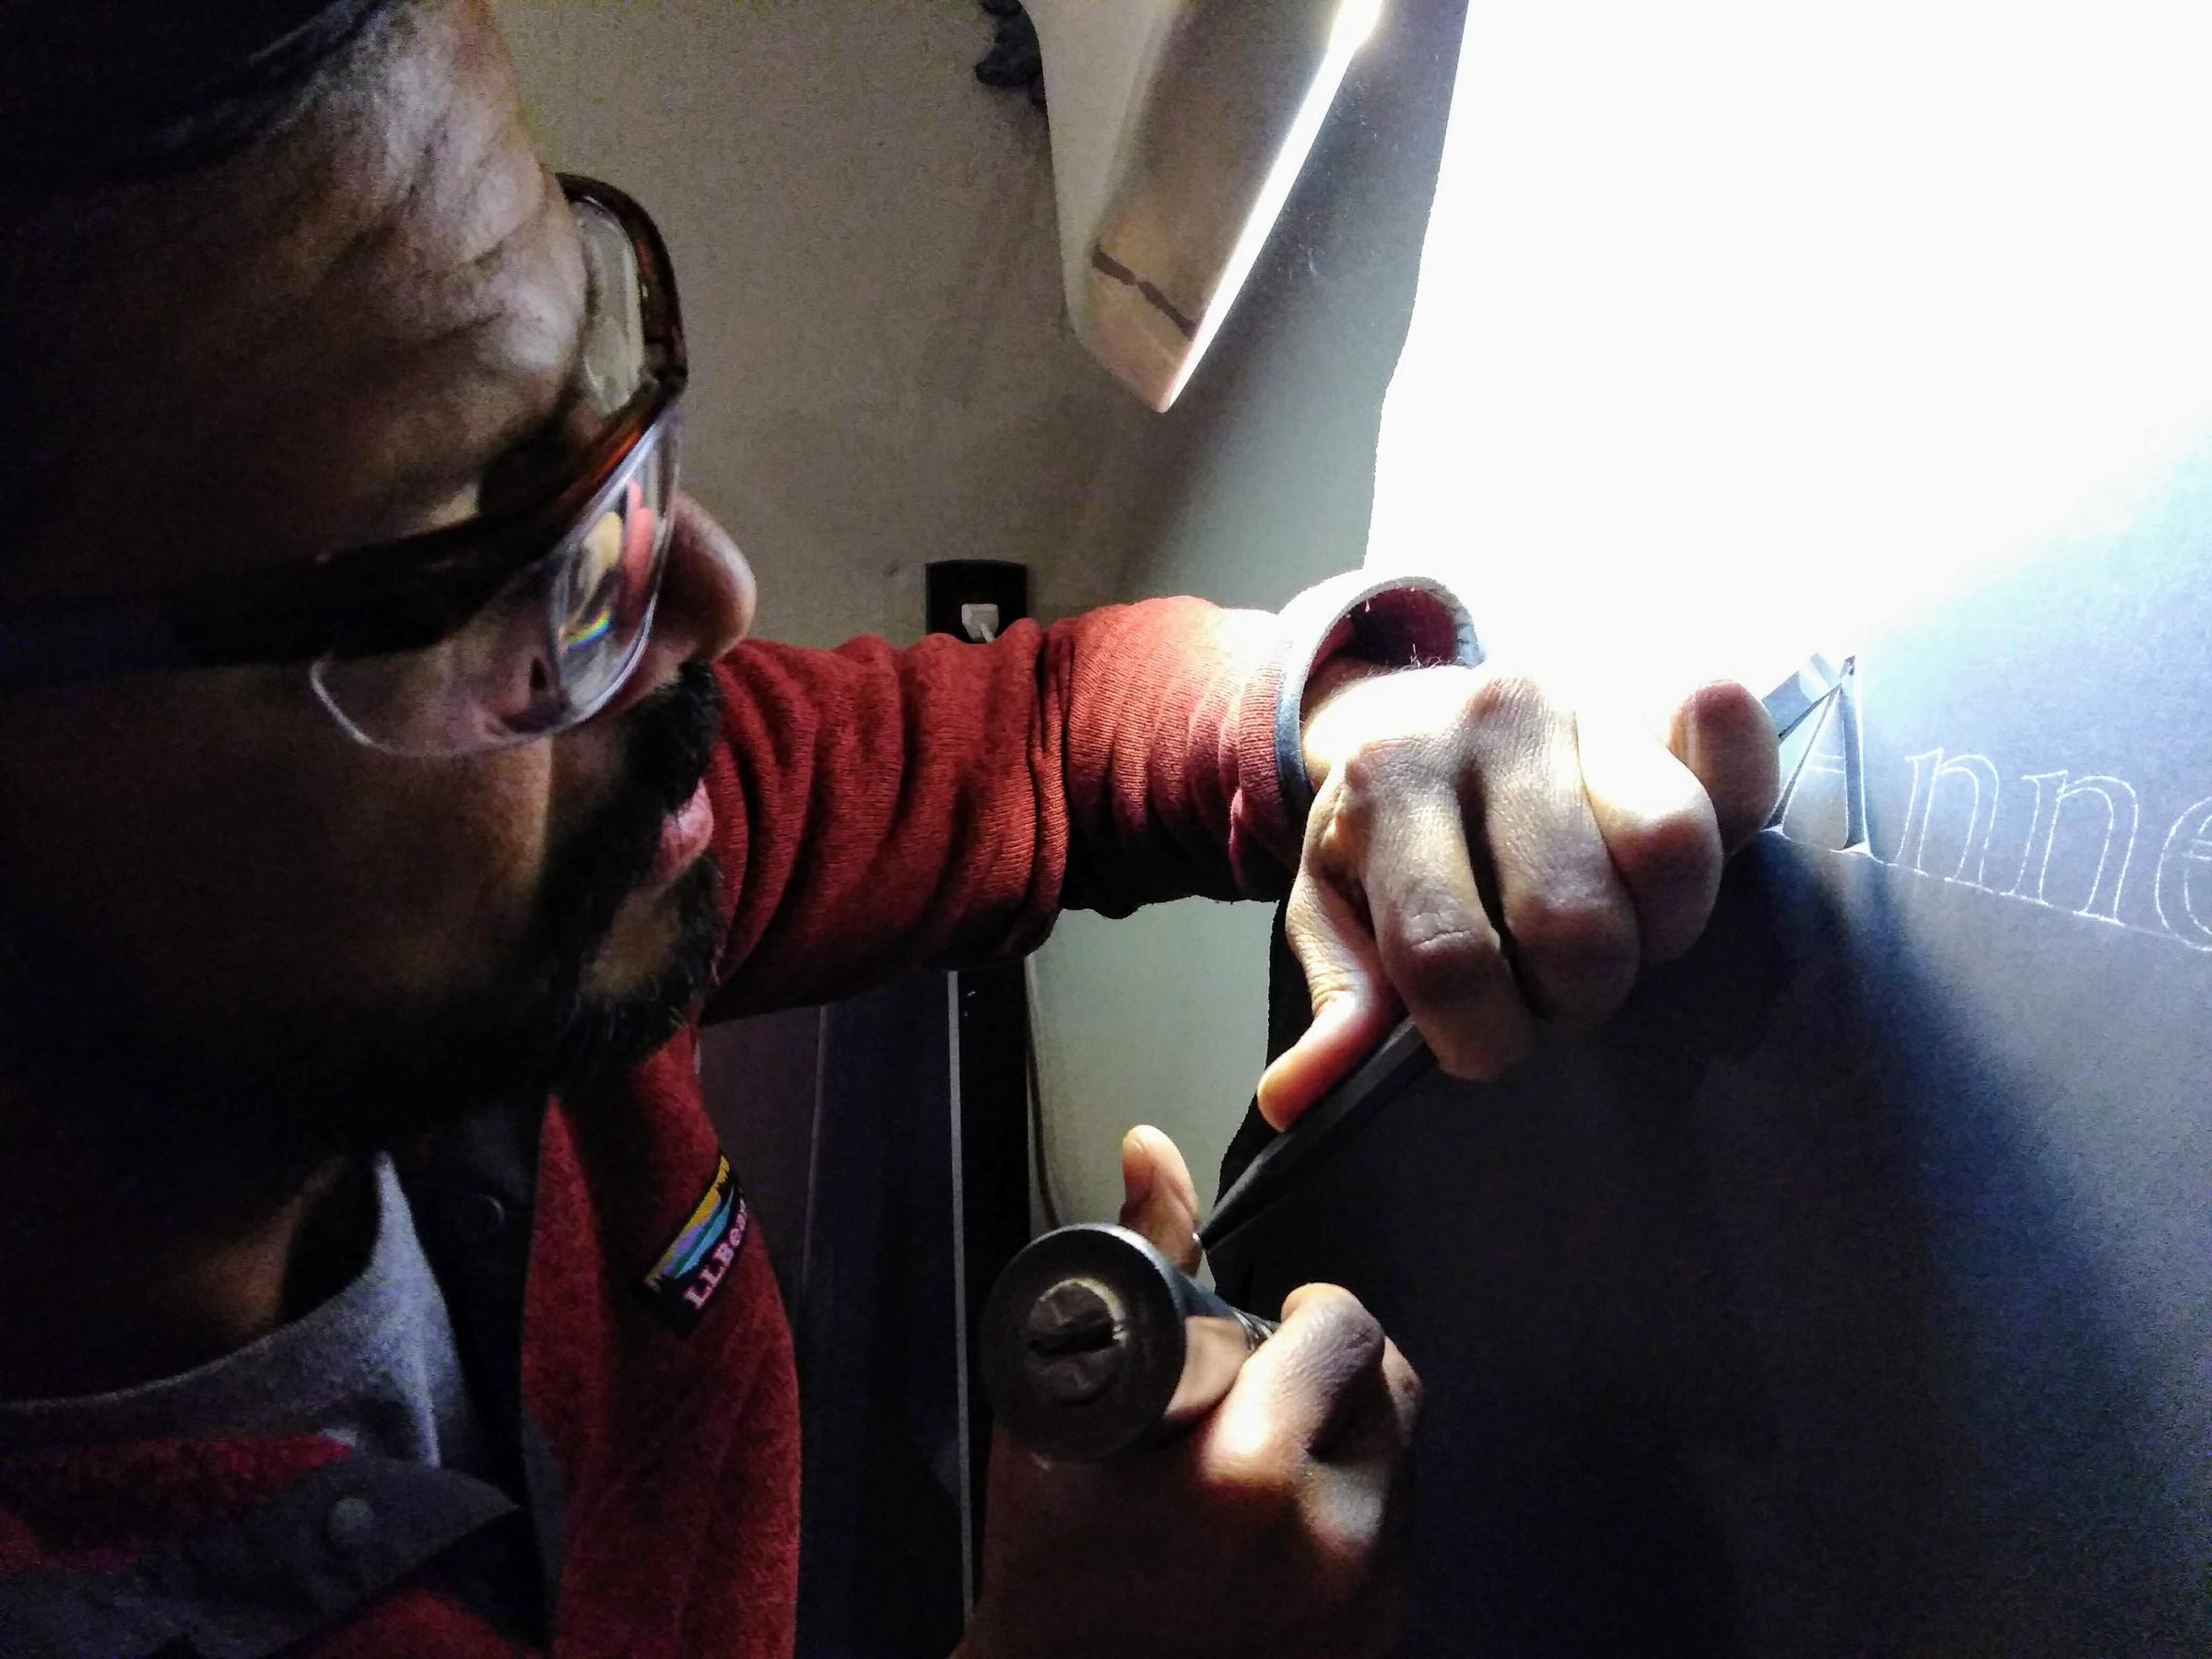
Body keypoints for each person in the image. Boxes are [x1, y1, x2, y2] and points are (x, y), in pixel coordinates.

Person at [0, 3, 1779, 1654]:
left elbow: (1035, 738)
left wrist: (1353, 724)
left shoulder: (535, 895)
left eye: (595, 402)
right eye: (468, 561)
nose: (709, 592)